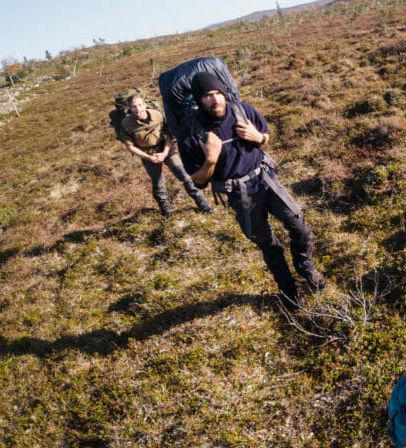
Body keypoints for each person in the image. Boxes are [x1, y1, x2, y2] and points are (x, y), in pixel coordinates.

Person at [175, 71, 325, 308]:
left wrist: (258, 138)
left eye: (217, 93)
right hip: (239, 194)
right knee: (269, 245)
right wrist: (211, 159)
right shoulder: (189, 133)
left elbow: (266, 137)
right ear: (198, 100)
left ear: (224, 92)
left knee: (300, 227)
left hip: (266, 179)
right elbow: (198, 181)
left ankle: (306, 268)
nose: (214, 99)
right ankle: (289, 291)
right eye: (207, 96)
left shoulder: (243, 110)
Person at [117, 92, 213, 217]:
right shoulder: (126, 123)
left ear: (145, 105)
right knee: (158, 183)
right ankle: (166, 212)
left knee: (186, 177)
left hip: (166, 149)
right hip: (147, 154)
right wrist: (149, 157)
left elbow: (169, 134)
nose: (138, 109)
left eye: (140, 105)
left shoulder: (157, 115)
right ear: (129, 108)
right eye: (134, 106)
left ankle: (204, 205)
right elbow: (130, 146)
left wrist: (164, 153)